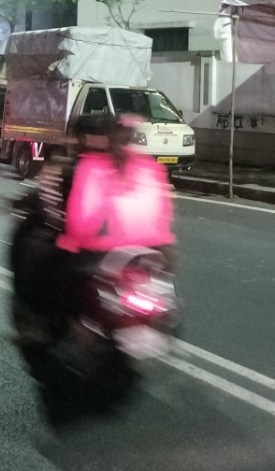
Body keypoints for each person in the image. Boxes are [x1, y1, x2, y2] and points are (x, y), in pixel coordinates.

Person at [34, 113, 176, 337]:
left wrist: (69, 239)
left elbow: (81, 218)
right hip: (157, 251)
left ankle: (57, 331)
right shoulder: (149, 165)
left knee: (55, 273)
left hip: (104, 249)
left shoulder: (92, 165)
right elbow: (164, 213)